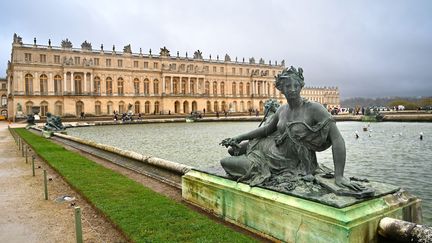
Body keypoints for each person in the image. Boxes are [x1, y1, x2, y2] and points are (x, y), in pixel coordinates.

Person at [220, 66, 364, 192]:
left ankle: (256, 165)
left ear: (301, 86)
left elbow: (337, 139)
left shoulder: (315, 109)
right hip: (267, 148)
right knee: (233, 149)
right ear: (281, 89)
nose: (293, 89)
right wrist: (238, 137)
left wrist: (339, 176)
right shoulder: (282, 110)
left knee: (225, 162)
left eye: (296, 85)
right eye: (288, 86)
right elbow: (265, 131)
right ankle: (246, 153)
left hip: (283, 164)